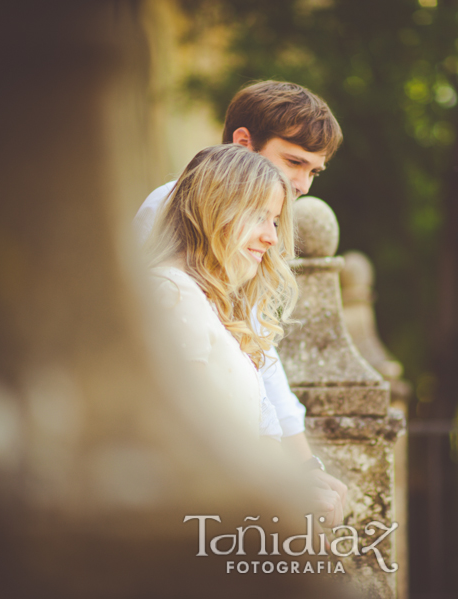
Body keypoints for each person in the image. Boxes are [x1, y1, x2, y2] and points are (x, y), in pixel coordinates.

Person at [135, 80, 347, 526]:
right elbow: (174, 398)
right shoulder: (171, 228)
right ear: (243, 142)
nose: (303, 184)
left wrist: (303, 469)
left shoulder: (251, 243)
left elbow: (254, 354)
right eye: (294, 162)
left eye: (314, 172)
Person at [144, 144, 296, 443]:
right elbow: (189, 438)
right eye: (258, 217)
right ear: (213, 209)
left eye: (275, 221)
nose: (272, 237)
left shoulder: (209, 301)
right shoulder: (174, 293)